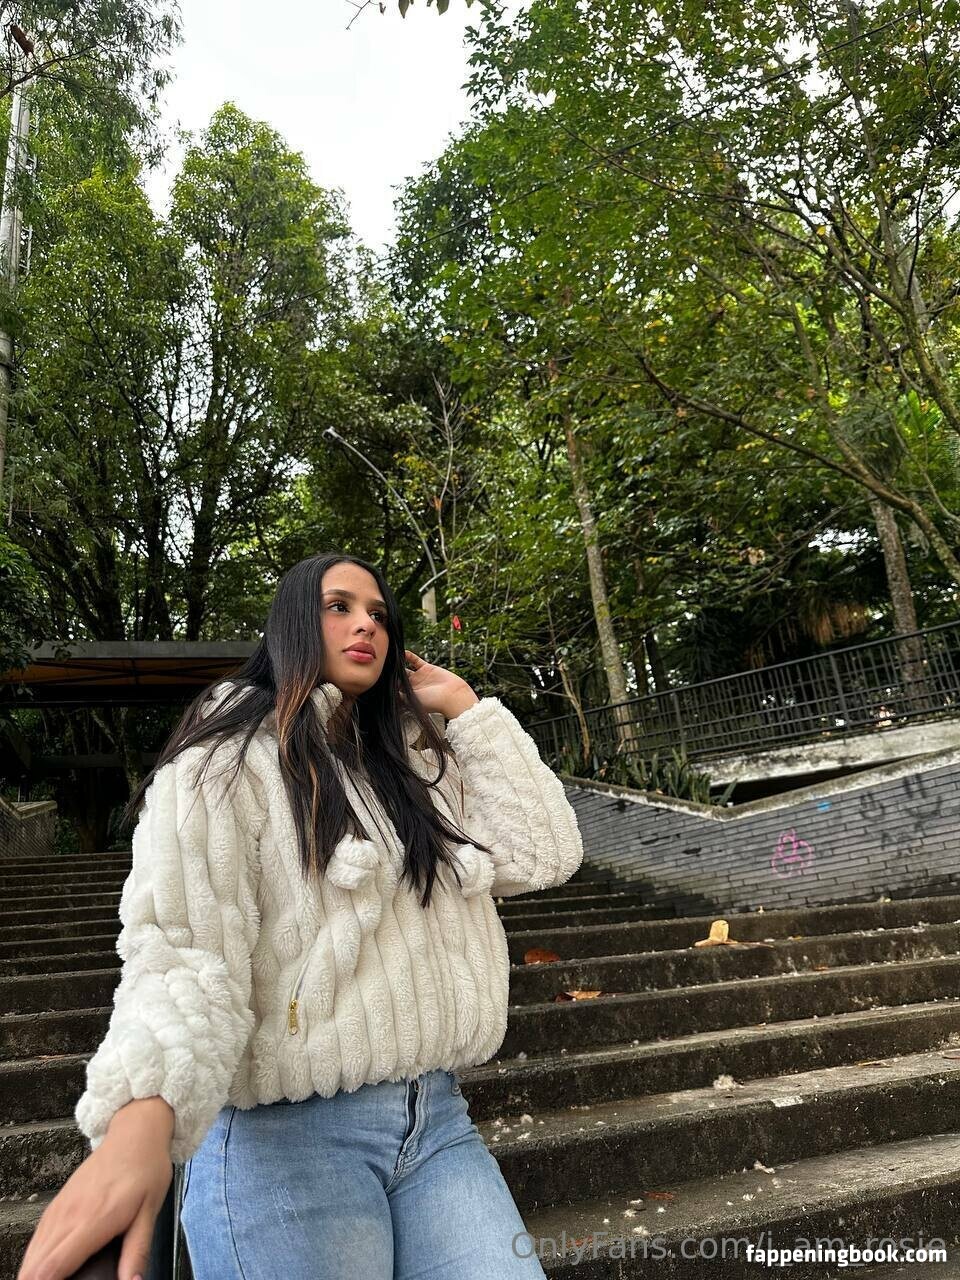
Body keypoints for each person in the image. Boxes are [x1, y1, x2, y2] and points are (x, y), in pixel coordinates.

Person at [17, 551, 584, 1280]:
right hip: (285, 1142)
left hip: (438, 1123)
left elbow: (542, 855)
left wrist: (465, 706)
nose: (365, 626)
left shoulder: (412, 767)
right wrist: (140, 1120)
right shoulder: (223, 764)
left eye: (379, 615)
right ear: (291, 624)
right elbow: (185, 952)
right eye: (338, 607)